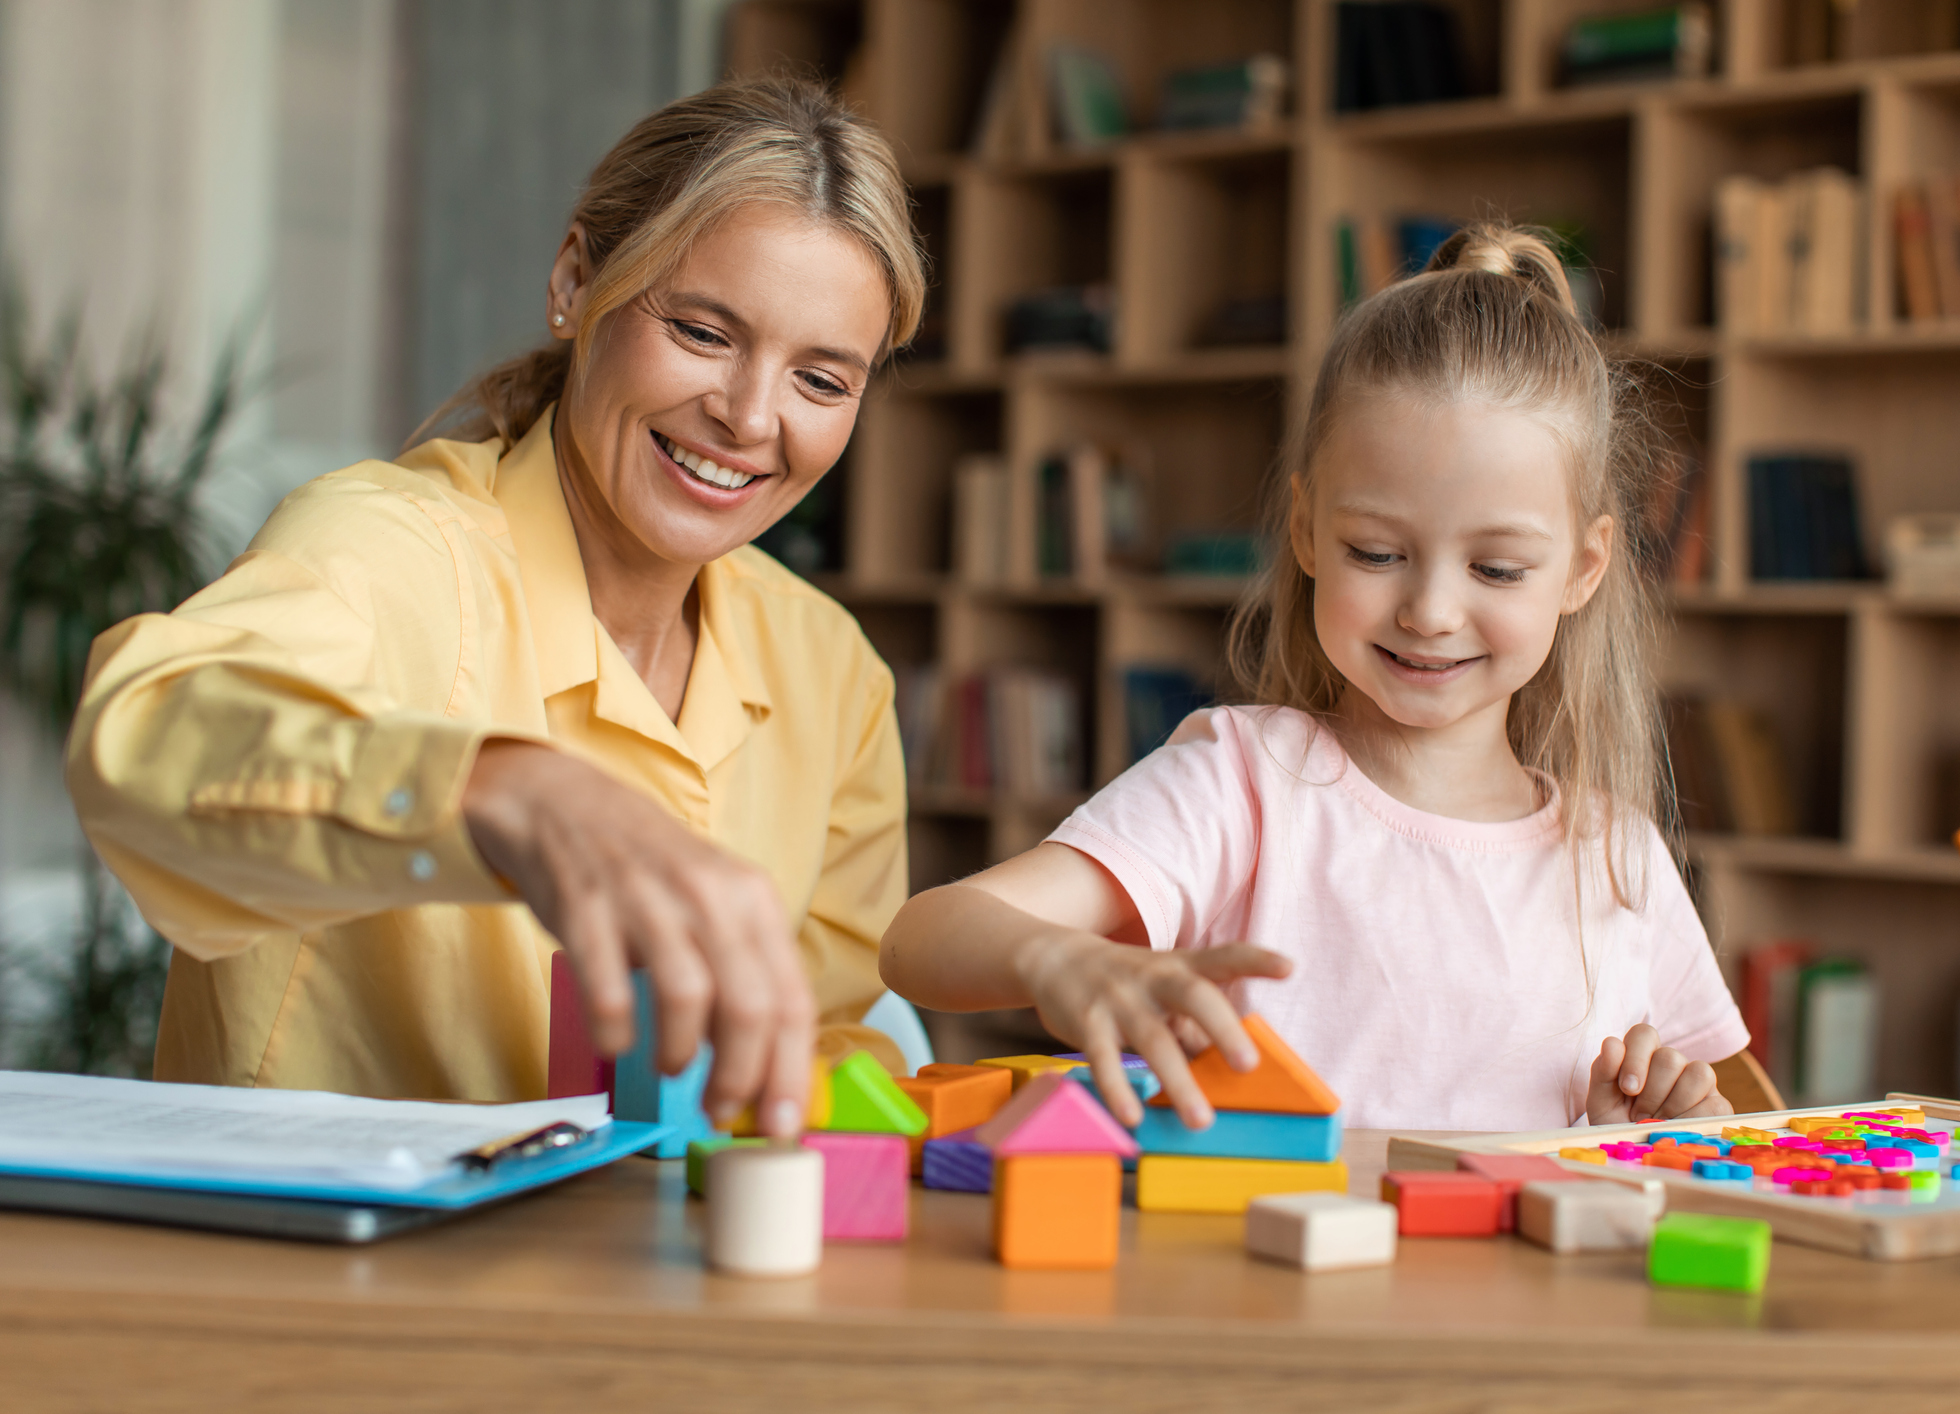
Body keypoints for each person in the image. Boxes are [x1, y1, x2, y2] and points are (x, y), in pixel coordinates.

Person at [67, 78, 923, 1137]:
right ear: (576, 282)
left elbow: (827, 1038)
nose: (750, 417)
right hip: (319, 1288)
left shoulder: (833, 670)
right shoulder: (390, 542)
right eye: (703, 331)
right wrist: (495, 792)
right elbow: (141, 742)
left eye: (822, 382)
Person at [880, 224, 1748, 1133]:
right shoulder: (1242, 784)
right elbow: (917, 943)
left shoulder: (1617, 856)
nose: (1430, 612)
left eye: (1496, 569)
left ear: (1584, 566)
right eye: (1375, 552)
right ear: (1303, 530)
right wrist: (1051, 961)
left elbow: (1726, 1111)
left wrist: (1648, 1119)